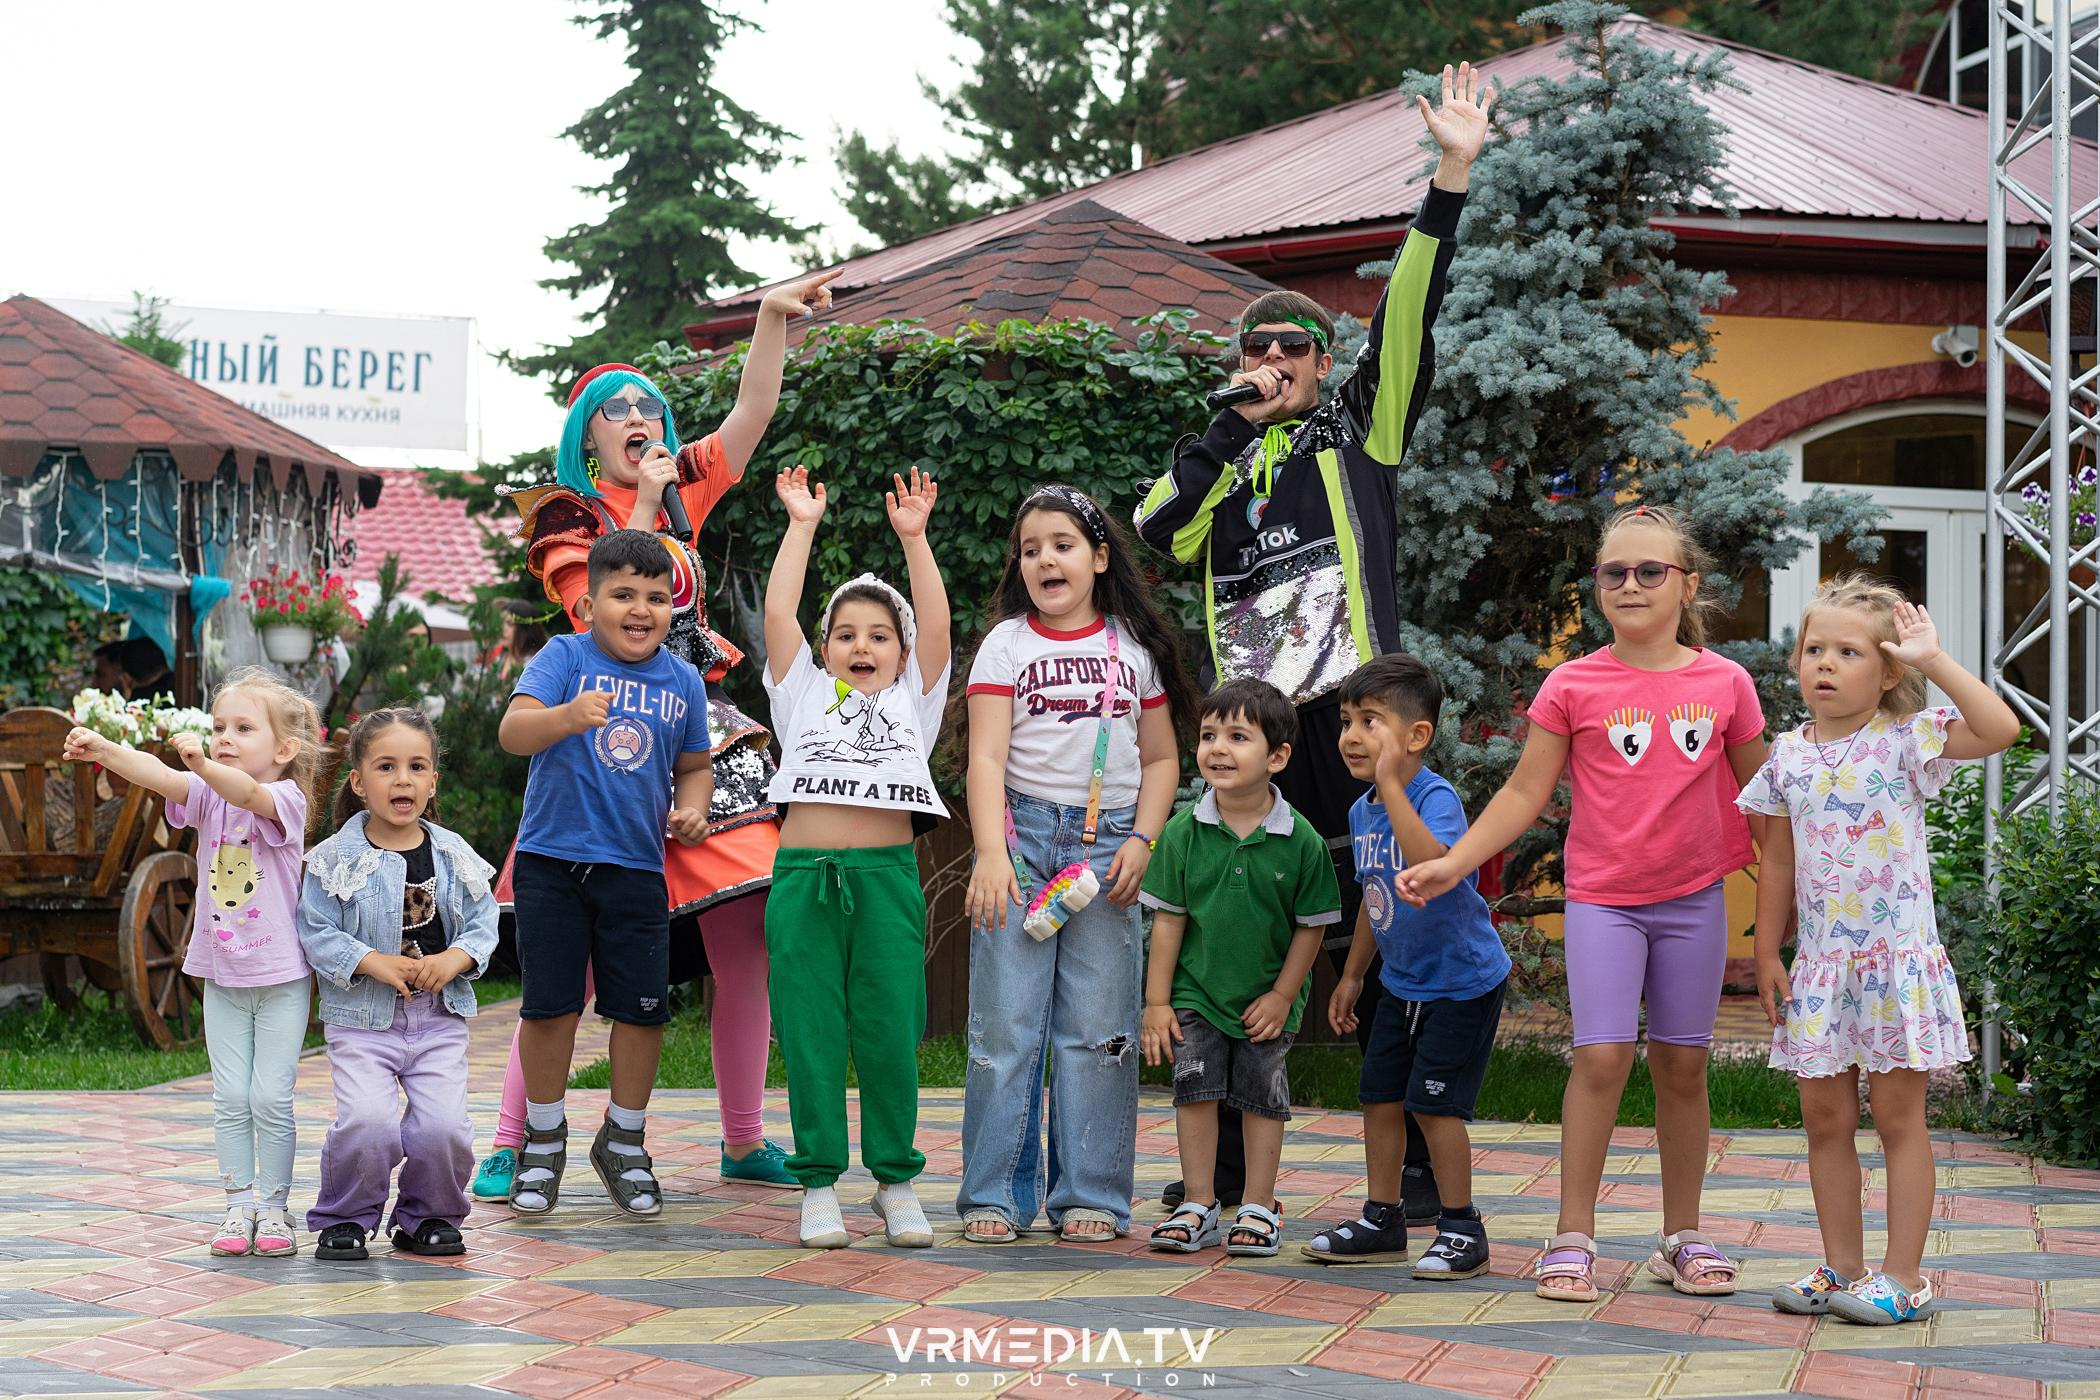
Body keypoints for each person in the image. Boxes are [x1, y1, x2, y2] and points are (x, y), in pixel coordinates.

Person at [1131, 62, 1493, 1220]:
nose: (1276, 366)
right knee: (1232, 951)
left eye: (1295, 353)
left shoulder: (1361, 436)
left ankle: (1426, 1177)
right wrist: (1228, 422)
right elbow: (1154, 527)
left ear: (1323, 368)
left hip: (1354, 725)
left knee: (1405, 927)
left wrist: (1450, 175)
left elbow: (1411, 314)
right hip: (1255, 733)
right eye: (1260, 353)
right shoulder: (1218, 461)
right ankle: (1229, 1181)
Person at [477, 271, 837, 1202]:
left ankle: (744, 1135)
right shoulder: (565, 517)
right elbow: (602, 608)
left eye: (651, 406)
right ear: (585, 435)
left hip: (694, 723)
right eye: (615, 408)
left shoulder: (681, 488)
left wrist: (767, 320)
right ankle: (516, 1141)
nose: (638, 416)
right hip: (593, 737)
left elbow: (753, 414)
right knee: (572, 964)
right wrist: (644, 499)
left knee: (746, 930)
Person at [1398, 503, 1768, 1301]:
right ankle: (1572, 1236)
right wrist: (1454, 863)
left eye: (1649, 571)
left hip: (1693, 902)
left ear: (1688, 585)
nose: (1629, 584)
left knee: (1683, 1064)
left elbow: (1765, 799)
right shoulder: (1573, 682)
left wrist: (1802, 894)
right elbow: (1525, 792)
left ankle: (1682, 1236)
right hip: (1604, 901)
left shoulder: (1726, 683)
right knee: (1601, 1057)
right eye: (1614, 572)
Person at [1740, 579, 2017, 1325]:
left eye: (1848, 652)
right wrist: (1769, 953)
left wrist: (1939, 659)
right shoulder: (1789, 755)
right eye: (1813, 650)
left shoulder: (1908, 739)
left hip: (1896, 966)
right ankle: (1843, 1266)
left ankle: (1904, 1278)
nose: (1823, 664)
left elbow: (2000, 730)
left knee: (1899, 1120)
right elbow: (1779, 862)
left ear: (1889, 671)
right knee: (1824, 1122)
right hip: (1823, 972)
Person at [955, 484, 1198, 1243]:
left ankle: (1091, 1193)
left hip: (1111, 848)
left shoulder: (1133, 652)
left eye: (1061, 544)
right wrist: (991, 855)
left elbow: (1162, 759)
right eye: (1030, 550)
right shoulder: (1006, 645)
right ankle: (994, 1196)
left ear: (1098, 557)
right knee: (1006, 1028)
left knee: (1099, 1030)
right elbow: (985, 755)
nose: (1044, 560)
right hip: (1022, 846)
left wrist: (1143, 843)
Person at [62, 667, 320, 1258]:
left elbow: (247, 794)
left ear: (284, 749)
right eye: (219, 725)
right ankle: (237, 1205)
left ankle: (276, 1209)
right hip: (222, 974)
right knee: (230, 1096)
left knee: (270, 1098)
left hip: (281, 978)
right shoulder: (205, 794)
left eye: (243, 728)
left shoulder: (285, 799)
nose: (225, 736)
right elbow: (159, 777)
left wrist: (204, 765)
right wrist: (104, 749)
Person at [497, 530, 714, 1217]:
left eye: (656, 598)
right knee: (551, 1005)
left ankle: (624, 1140)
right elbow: (513, 732)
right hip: (551, 864)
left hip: (636, 870)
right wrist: (563, 717)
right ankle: (542, 1137)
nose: (641, 609)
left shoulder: (682, 681)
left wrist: (694, 810)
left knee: (642, 1011)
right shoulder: (565, 657)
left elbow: (694, 765)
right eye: (623, 594)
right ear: (589, 603)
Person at [761, 465, 949, 1250]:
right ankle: (816, 1184)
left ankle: (896, 1183)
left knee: (886, 1033)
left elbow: (935, 624)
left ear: (902, 655)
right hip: (804, 883)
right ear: (825, 649)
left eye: (879, 636)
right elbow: (778, 609)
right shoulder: (800, 691)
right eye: (845, 634)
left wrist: (916, 540)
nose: (861, 646)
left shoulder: (915, 696)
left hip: (886, 885)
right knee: (810, 1034)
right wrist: (801, 526)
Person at [1306, 653, 1509, 1276]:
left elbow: (1438, 866)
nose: (1350, 736)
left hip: (1462, 983)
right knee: (1379, 1098)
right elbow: (1376, 897)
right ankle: (1382, 1217)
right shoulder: (1361, 811)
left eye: (1370, 721)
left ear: (1416, 736)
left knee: (1434, 1105)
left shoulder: (1431, 795)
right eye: (1346, 721)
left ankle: (1460, 1228)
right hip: (1400, 982)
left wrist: (1393, 788)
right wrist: (1353, 974)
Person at [1138, 679, 1340, 1256]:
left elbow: (1312, 925)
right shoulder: (1182, 833)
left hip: (1265, 1002)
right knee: (1194, 1092)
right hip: (1195, 994)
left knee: (1261, 1097)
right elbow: (1170, 922)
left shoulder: (1300, 840)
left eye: (1237, 736)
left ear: (1277, 757)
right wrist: (1158, 1003)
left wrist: (1282, 996)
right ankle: (1199, 1202)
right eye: (1208, 736)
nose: (1217, 748)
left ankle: (1257, 1205)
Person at [298, 709, 500, 1261]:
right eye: (386, 767)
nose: (402, 779)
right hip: (363, 1021)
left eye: (416, 766)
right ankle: (344, 1219)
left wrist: (457, 957)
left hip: (436, 1018)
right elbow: (314, 928)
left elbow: (485, 922)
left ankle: (427, 1216)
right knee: (369, 1122)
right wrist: (370, 961)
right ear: (359, 782)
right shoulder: (335, 860)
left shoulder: (455, 855)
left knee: (443, 1129)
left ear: (433, 781)